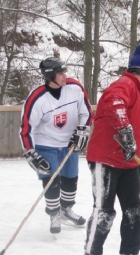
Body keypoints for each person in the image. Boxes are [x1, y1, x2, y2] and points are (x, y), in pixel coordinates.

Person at [83, 44, 140, 255]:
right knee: (104, 210)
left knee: (135, 211)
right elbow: (114, 104)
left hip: (128, 163)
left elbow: (135, 129)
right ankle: (92, 254)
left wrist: (139, 159)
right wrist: (126, 132)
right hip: (106, 160)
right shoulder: (125, 85)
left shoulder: (136, 90)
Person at [19, 57, 94, 234]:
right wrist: (30, 153)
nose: (64, 75)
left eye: (64, 72)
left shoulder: (74, 87)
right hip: (46, 145)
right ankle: (53, 214)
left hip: (69, 144)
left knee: (71, 179)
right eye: (60, 73)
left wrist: (83, 130)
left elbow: (87, 112)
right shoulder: (37, 98)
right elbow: (26, 128)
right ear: (50, 76)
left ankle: (66, 210)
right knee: (51, 180)